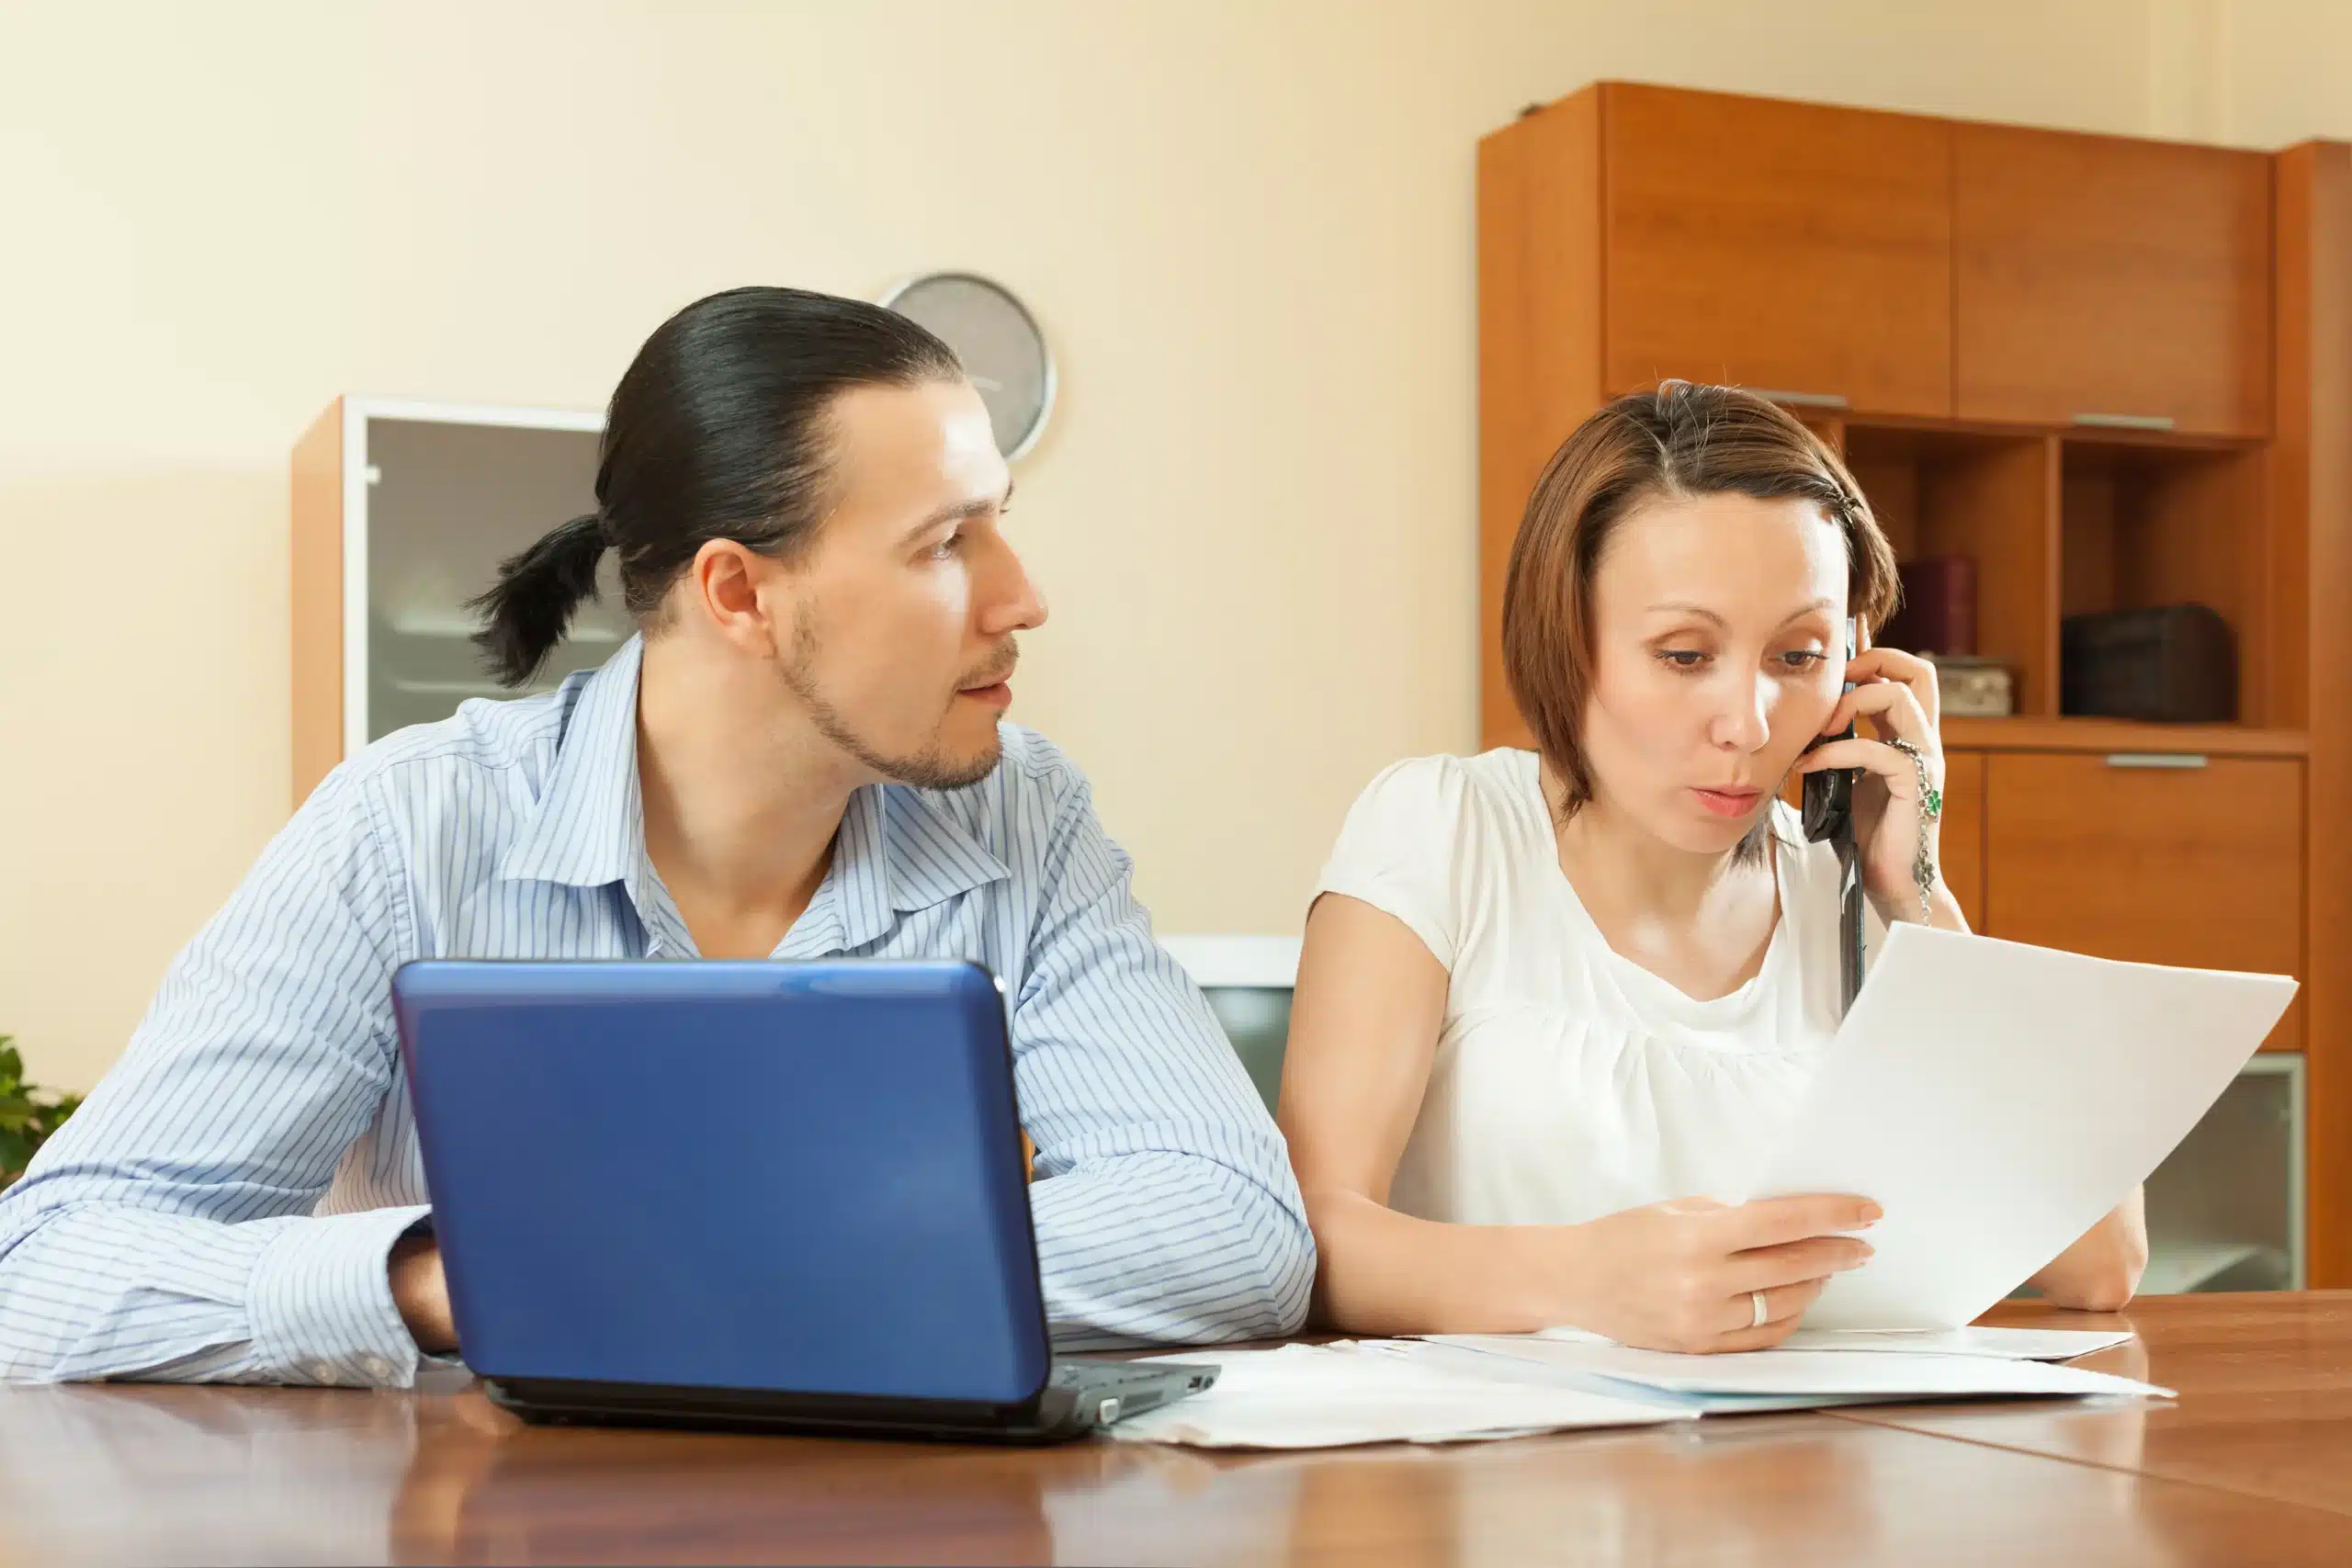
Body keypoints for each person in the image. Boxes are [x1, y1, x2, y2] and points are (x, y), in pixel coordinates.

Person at [0, 286, 1312, 1386]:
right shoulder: (410, 823)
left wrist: (662, 1266)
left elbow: (1233, 1226)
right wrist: (445, 1279)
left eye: (1000, 523)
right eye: (945, 543)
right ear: (739, 590)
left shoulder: (1025, 808)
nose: (1023, 598)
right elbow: (47, 1267)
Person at [1280, 383, 2146, 1352]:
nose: (1748, 723)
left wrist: (1919, 897)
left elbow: (2100, 1263)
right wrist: (1586, 1282)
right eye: (1685, 655)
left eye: (1799, 654)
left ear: (1857, 663)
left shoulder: (1851, 894)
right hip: (1502, 1481)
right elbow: (1307, 1239)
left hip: (1793, 1479)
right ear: (1570, 639)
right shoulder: (1442, 829)